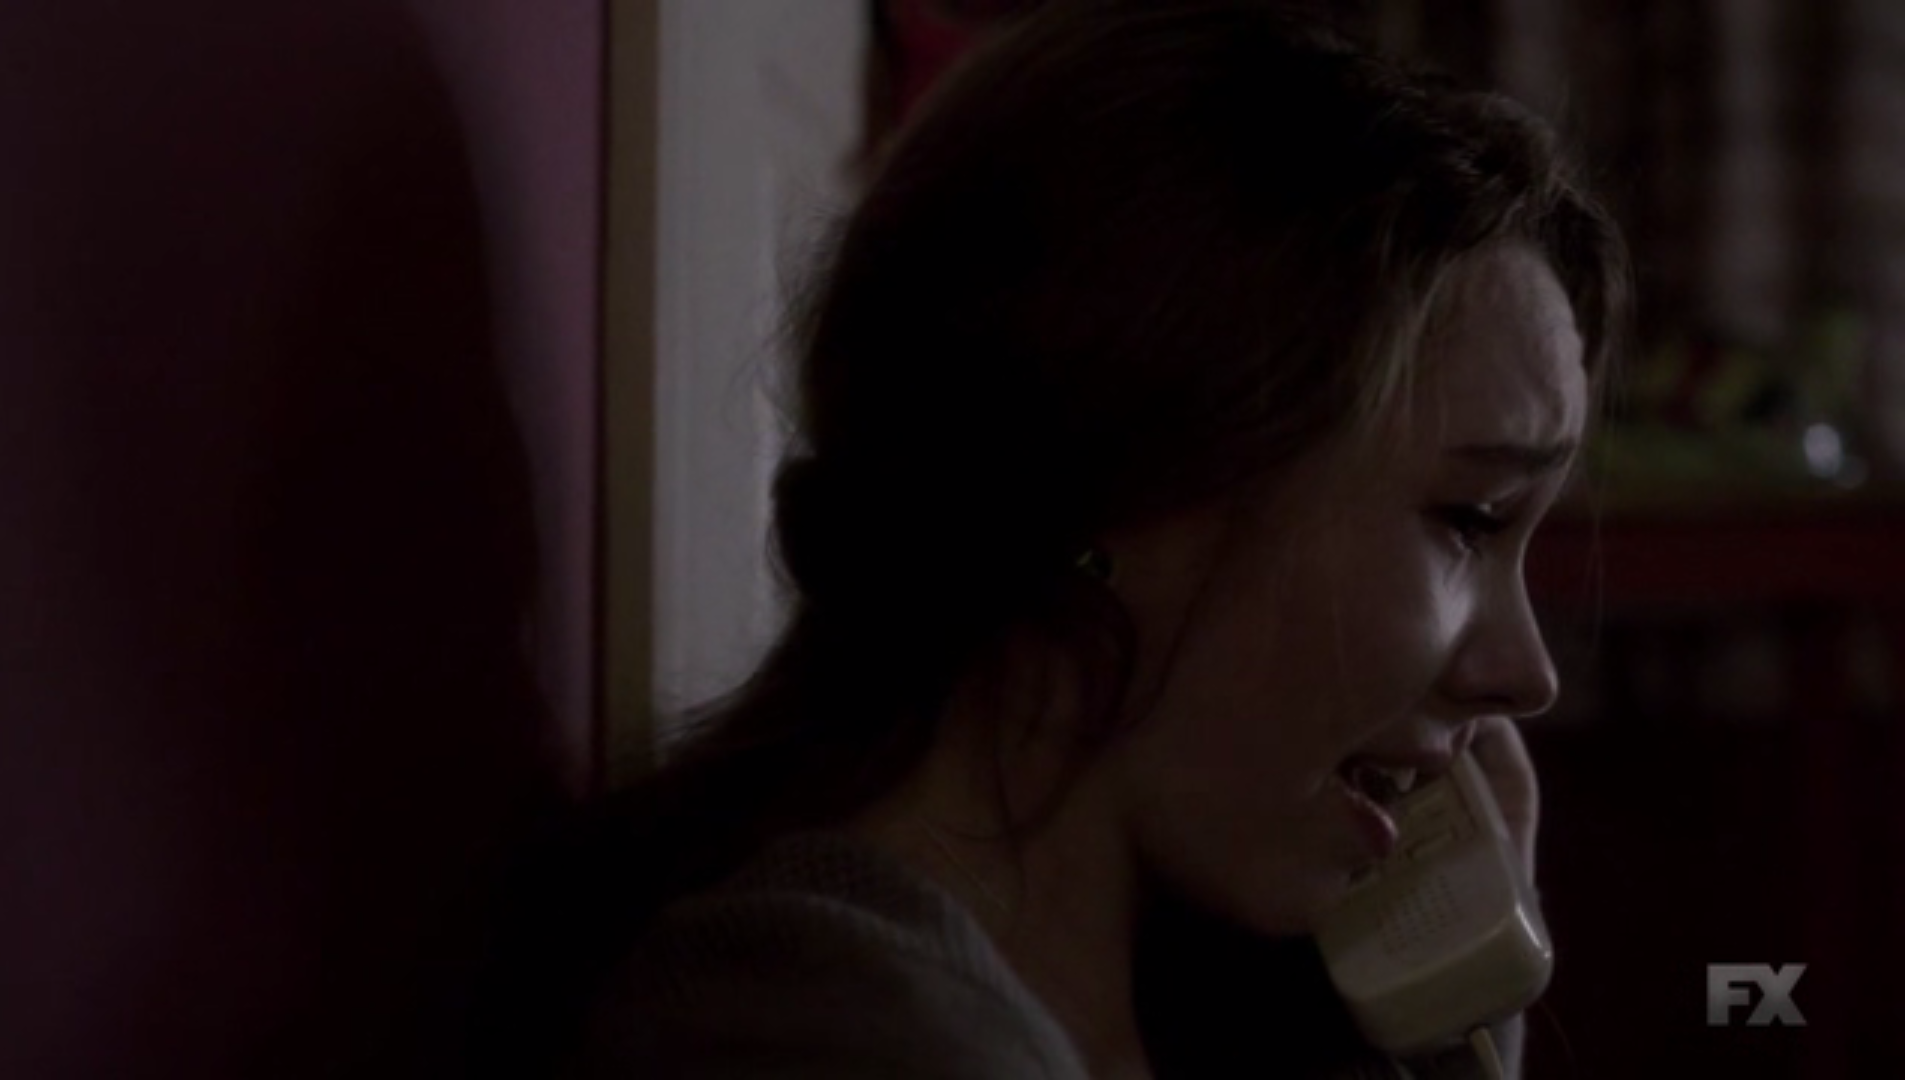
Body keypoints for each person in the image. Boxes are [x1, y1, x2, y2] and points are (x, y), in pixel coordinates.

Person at [559, 1, 1628, 1077]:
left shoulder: (1201, 999)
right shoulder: (822, 1036)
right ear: (1141, 473)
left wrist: (1447, 1036)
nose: (1527, 675)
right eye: (1469, 519)